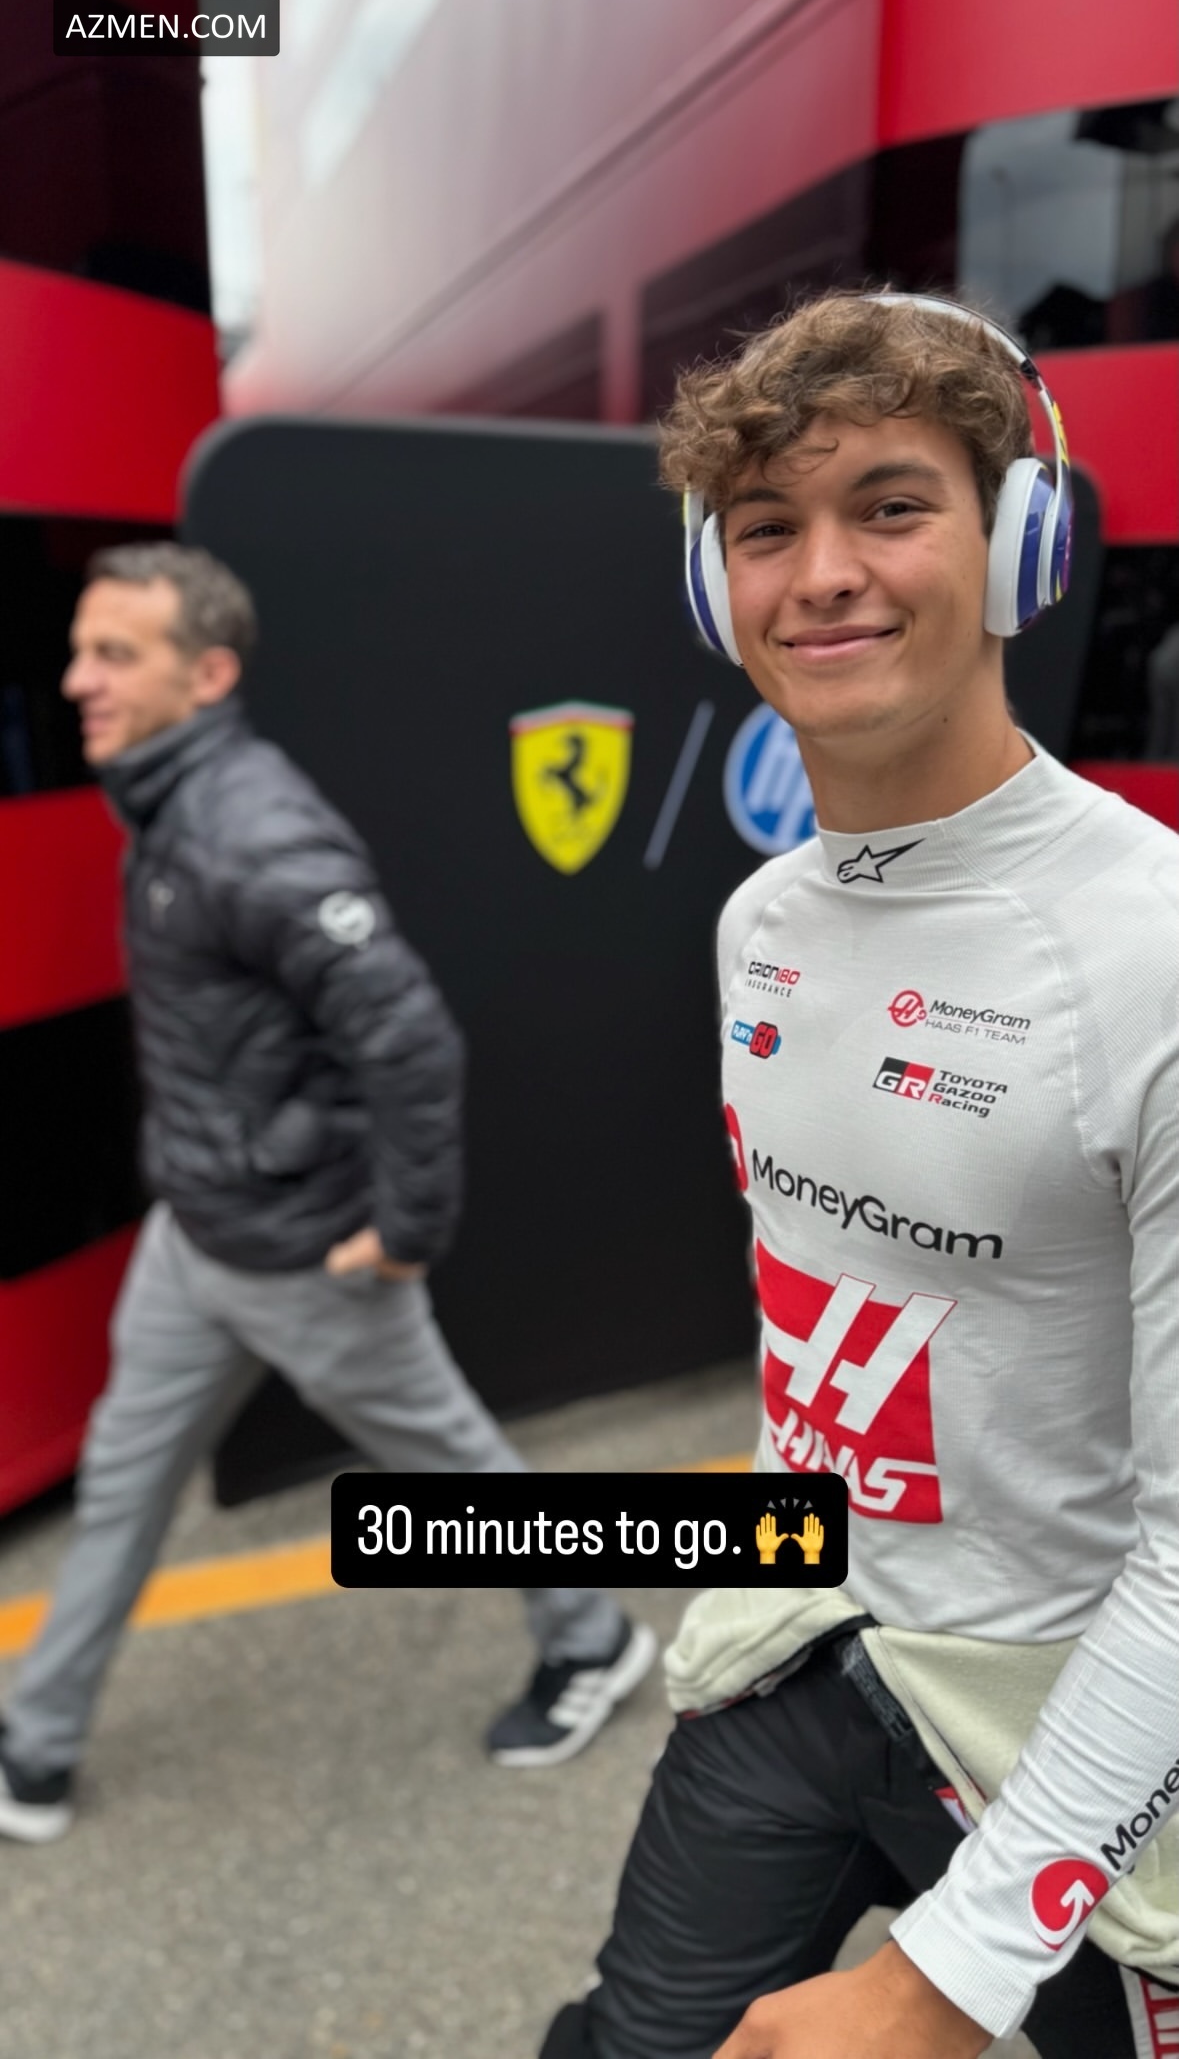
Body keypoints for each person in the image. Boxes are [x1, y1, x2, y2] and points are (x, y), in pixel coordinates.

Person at [539, 292, 1179, 2059]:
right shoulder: (760, 923)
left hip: (1074, 1719)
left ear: (1019, 542)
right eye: (767, 528)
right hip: (805, 1637)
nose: (824, 575)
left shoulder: (1153, 953)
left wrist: (945, 1977)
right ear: (714, 585)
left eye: (891, 507)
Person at [0, 544, 655, 1843]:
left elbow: (409, 1039)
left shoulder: (254, 833)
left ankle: (592, 1640)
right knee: (125, 1477)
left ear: (209, 674)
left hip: (305, 1256)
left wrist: (404, 1230)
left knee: (453, 1467)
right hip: (198, 1237)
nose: (78, 680)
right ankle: (37, 1741)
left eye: (115, 654)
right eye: (79, 650)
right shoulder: (167, 798)